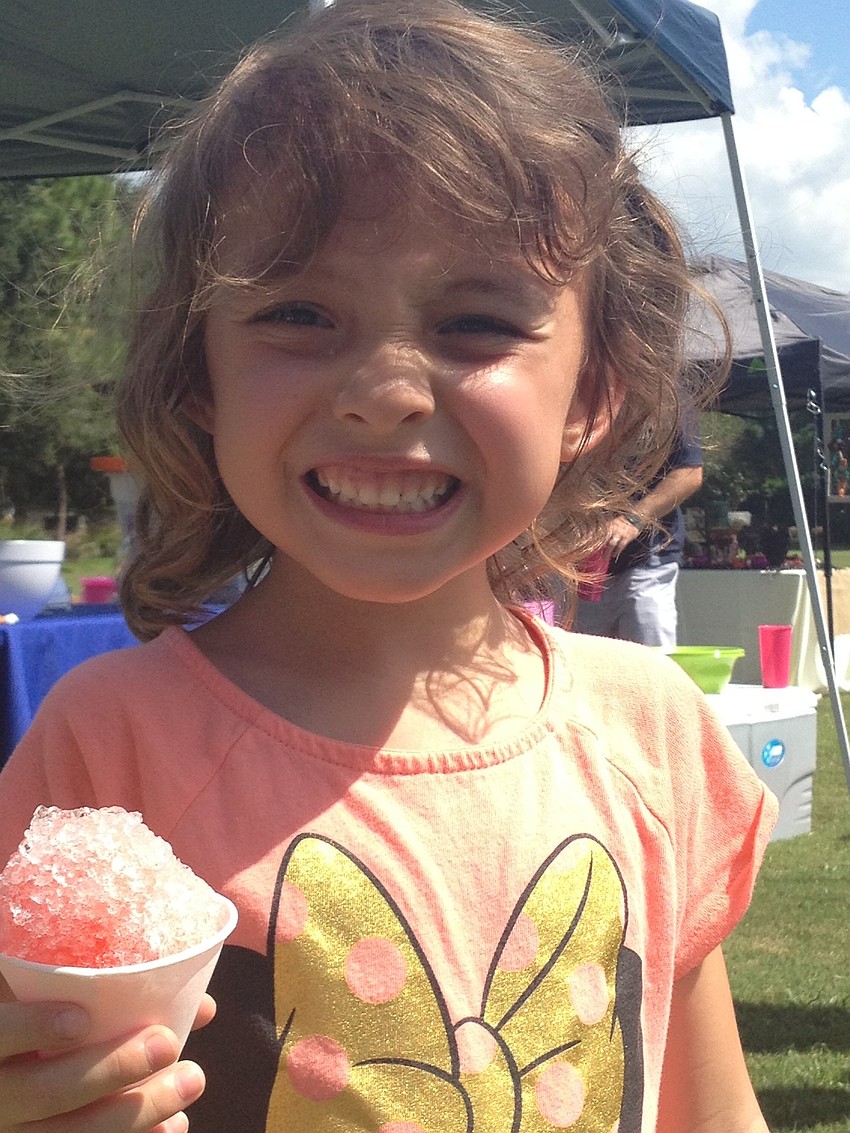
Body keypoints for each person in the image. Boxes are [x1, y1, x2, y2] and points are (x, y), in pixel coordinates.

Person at [0, 3, 776, 1131]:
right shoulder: (105, 747)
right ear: (201, 373)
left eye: (475, 322)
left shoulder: (653, 731)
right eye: (299, 312)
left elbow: (712, 1105)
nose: (383, 389)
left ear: (594, 393)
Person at [572, 423, 703, 647]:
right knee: (583, 667)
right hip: (585, 567)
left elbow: (689, 473)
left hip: (646, 562)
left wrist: (633, 519)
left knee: (653, 665)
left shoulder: (669, 401)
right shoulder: (581, 397)